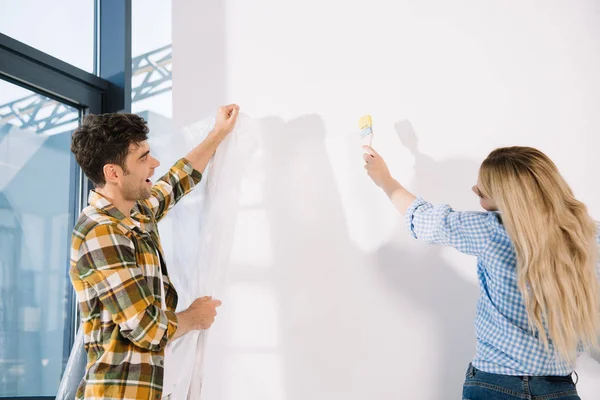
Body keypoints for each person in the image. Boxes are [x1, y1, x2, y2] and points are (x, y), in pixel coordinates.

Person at [363, 144, 599, 400]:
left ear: (505, 197)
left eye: (481, 190)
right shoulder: (589, 235)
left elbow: (423, 219)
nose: (474, 190)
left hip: (493, 385)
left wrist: (385, 179)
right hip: (558, 389)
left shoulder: (490, 230)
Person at [69, 105, 239, 399]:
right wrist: (195, 317)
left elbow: (175, 182)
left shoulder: (135, 212)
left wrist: (218, 133)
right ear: (113, 172)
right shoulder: (101, 232)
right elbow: (147, 328)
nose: (155, 163)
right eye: (143, 158)